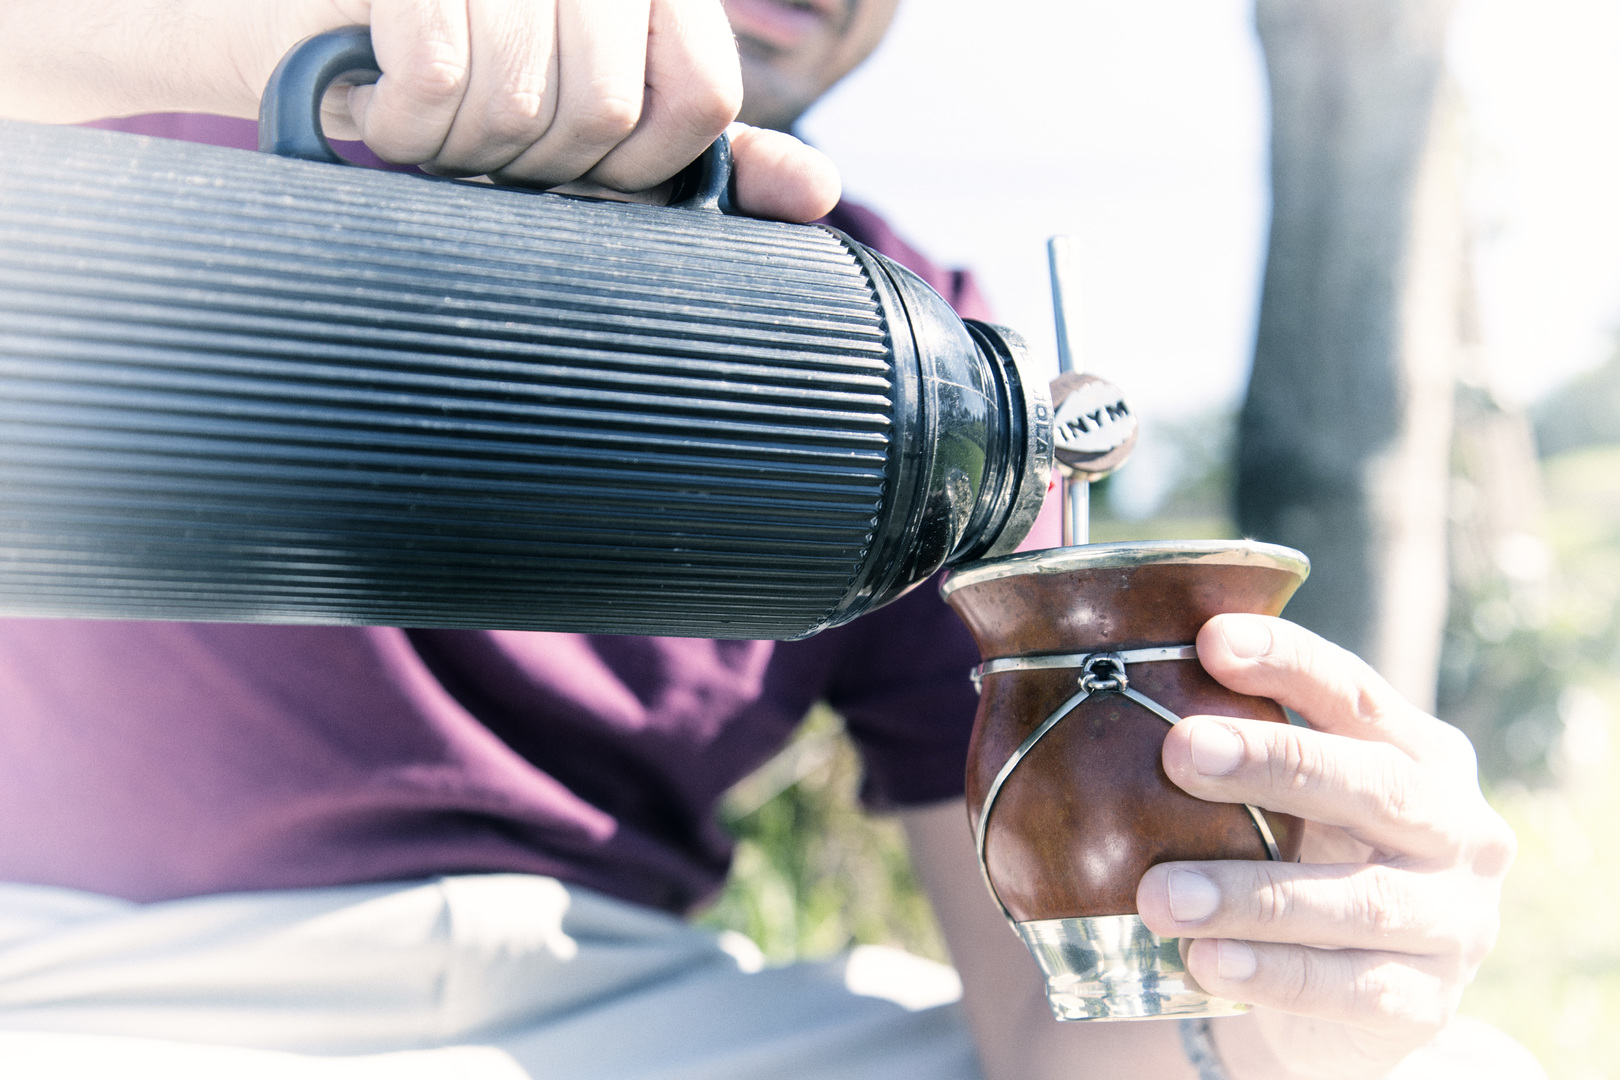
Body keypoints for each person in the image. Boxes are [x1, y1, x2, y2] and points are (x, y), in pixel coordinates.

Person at [0, 2, 1536, 1078]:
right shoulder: (166, 101)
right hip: (85, 965)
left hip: (618, 1005)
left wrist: (1280, 1012)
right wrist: (257, 22)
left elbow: (1045, 1029)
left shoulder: (903, 331)